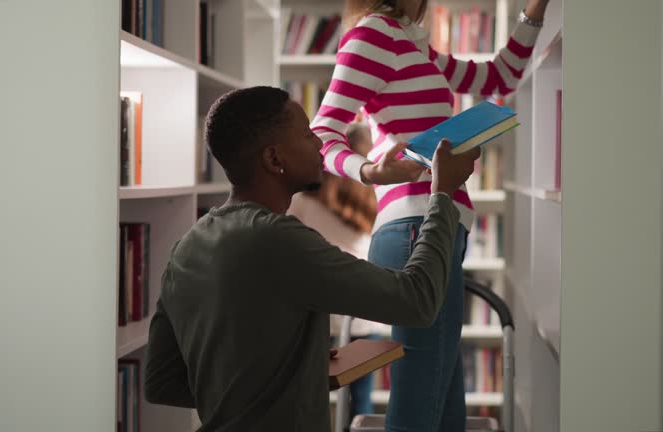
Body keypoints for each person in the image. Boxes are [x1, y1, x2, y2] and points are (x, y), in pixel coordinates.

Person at [143, 86, 480, 432]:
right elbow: (418, 301)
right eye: (306, 134)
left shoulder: (186, 246)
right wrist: (441, 195)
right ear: (274, 160)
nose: (320, 144)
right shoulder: (278, 239)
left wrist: (287, 370)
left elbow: (161, 383)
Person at [311, 0, 549, 430]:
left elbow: (500, 77)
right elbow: (322, 133)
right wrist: (368, 170)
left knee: (442, 402)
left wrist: (534, 10)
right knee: (421, 400)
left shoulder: (412, 43)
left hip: (434, 224)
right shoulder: (374, 34)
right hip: (415, 225)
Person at [288, 122, 388, 426]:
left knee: (309, 393)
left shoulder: (303, 203)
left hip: (317, 313)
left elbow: (287, 247)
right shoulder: (379, 203)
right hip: (362, 312)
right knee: (362, 399)